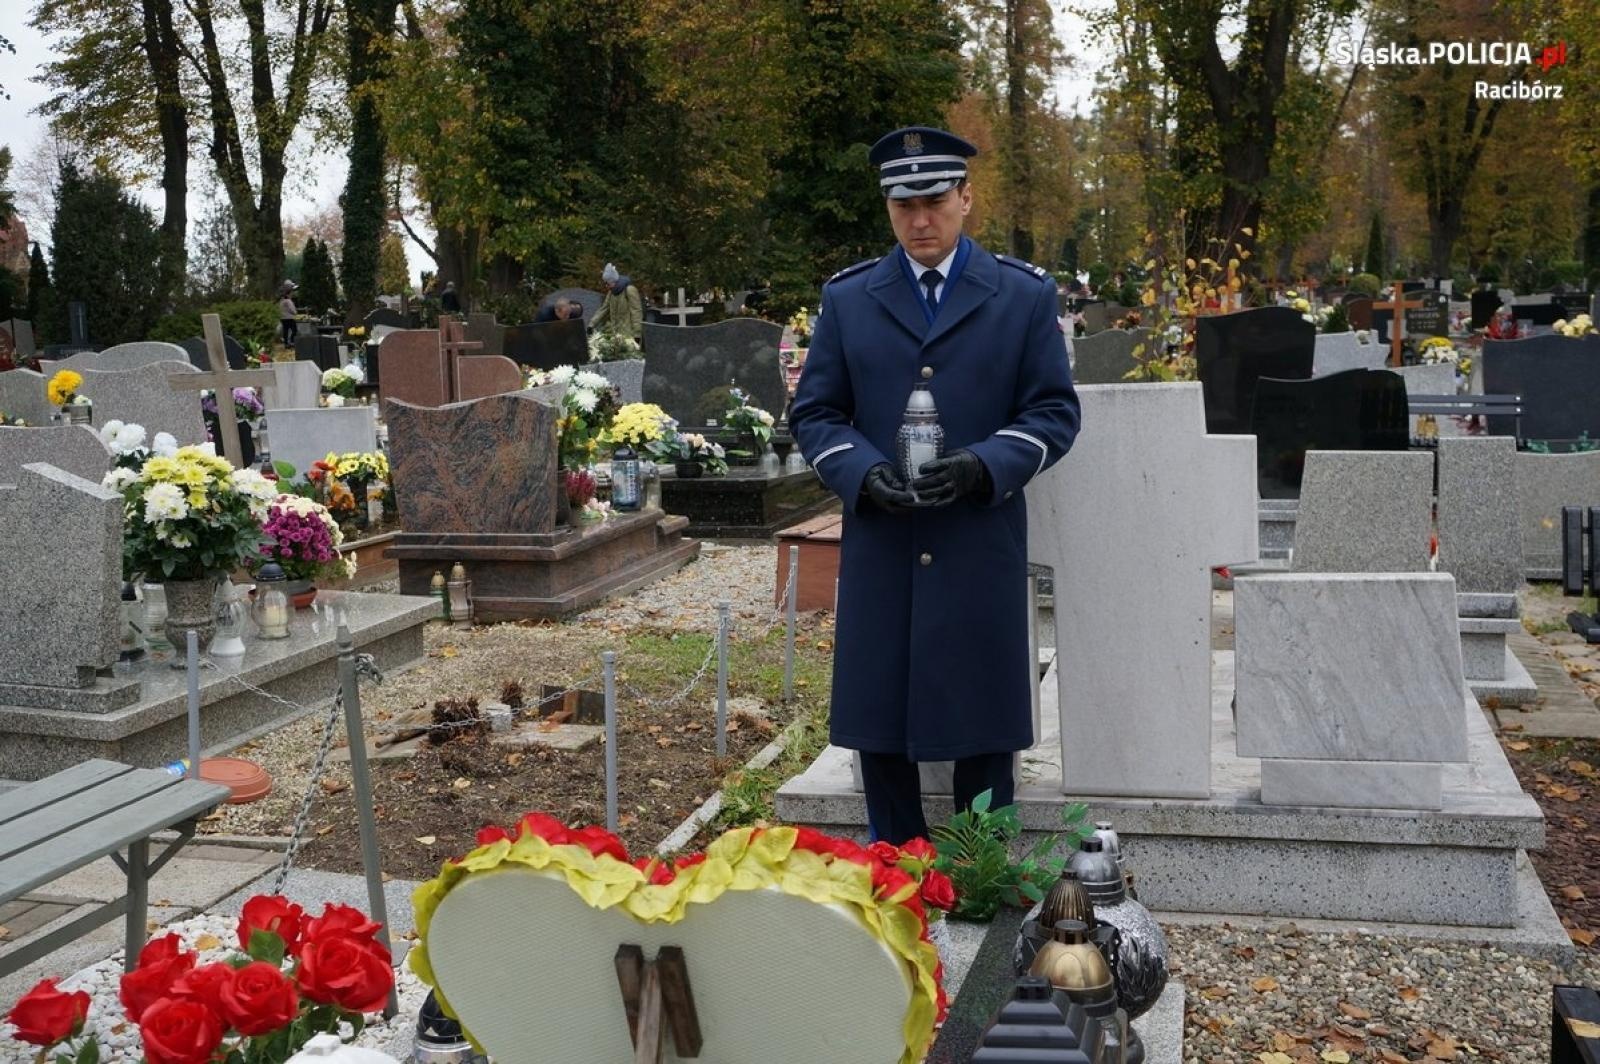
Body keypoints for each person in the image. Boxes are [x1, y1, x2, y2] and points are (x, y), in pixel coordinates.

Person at [789, 126, 1081, 845]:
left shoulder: (1019, 295)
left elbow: (1052, 410)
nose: (920, 221)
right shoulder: (852, 298)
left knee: (984, 722)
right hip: (886, 541)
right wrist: (862, 472)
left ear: (966, 199)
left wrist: (986, 463)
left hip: (976, 537)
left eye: (935, 202)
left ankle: (984, 873)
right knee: (879, 723)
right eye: (903, 206)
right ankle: (894, 868)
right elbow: (817, 411)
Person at [590, 263, 643, 341]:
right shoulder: (611, 293)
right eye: (605, 283)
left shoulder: (629, 290)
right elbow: (603, 309)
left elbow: (636, 312)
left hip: (629, 335)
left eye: (607, 283)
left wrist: (637, 334)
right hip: (615, 333)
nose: (606, 286)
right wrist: (591, 324)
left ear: (613, 281)